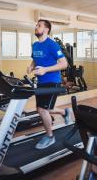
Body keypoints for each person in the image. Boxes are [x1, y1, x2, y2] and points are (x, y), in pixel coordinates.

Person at [27, 19, 71, 149]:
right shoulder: (35, 45)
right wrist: (30, 66)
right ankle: (65, 112)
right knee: (42, 108)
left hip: (52, 81)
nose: (36, 27)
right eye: (36, 25)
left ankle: (50, 136)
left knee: (42, 109)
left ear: (46, 30)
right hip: (41, 82)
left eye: (39, 25)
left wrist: (45, 70)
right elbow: (34, 60)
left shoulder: (52, 45)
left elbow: (64, 63)